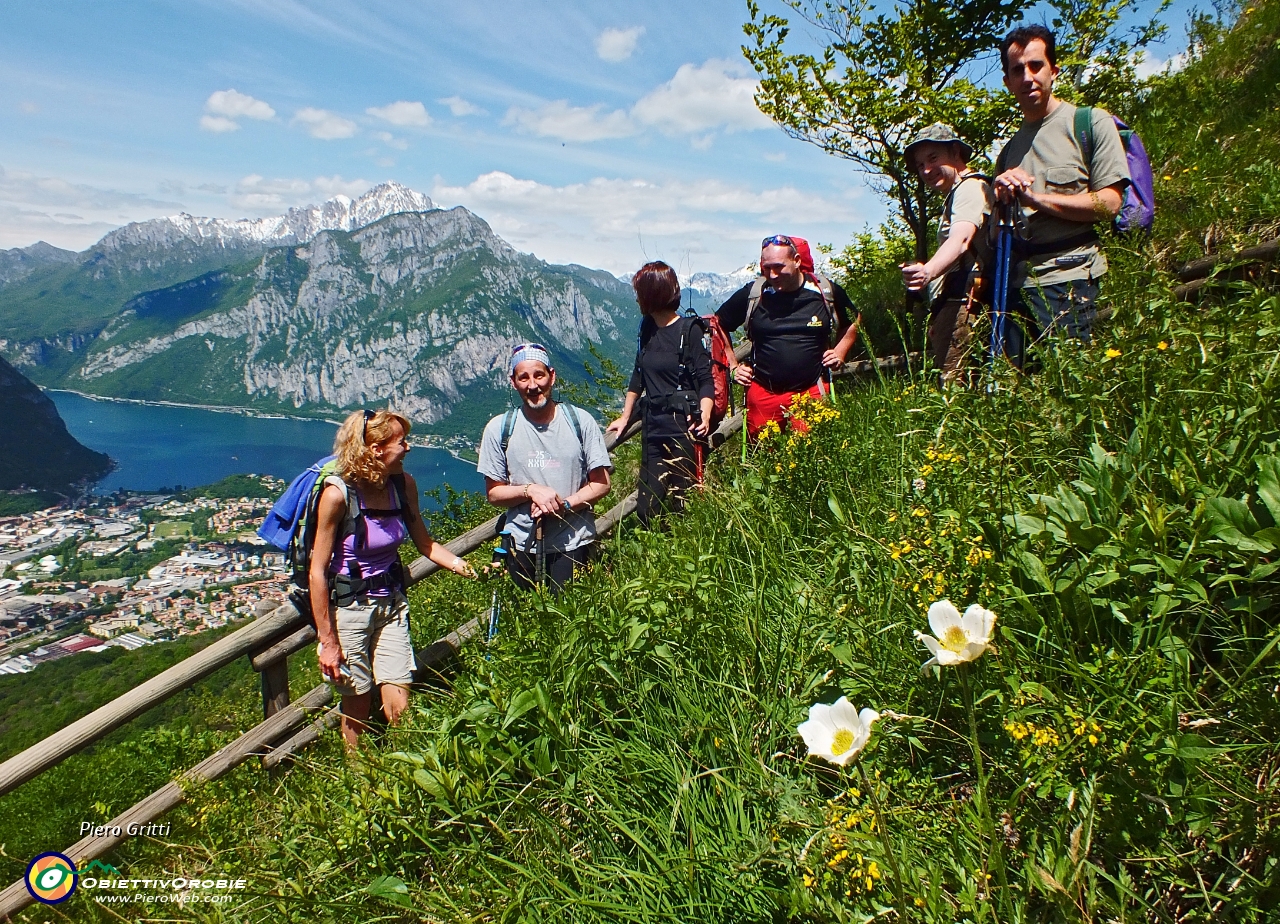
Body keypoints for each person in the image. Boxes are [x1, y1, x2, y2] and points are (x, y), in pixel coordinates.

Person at [311, 409, 477, 749]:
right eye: (402, 442)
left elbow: (426, 543)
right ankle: (359, 782)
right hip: (350, 611)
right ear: (375, 450)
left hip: (391, 605)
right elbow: (317, 570)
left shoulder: (402, 486)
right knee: (356, 705)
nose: (409, 448)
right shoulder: (338, 495)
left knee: (400, 703)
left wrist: (470, 569)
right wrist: (328, 642)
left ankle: (403, 769)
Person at [994, 24, 1131, 368]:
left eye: (1036, 66)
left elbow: (1110, 203)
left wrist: (1035, 199)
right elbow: (997, 234)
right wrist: (1001, 202)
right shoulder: (1008, 152)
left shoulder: (1089, 123)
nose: (1027, 77)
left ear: (1054, 71)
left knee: (1074, 388)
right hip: (1018, 289)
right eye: (1017, 70)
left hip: (1074, 281)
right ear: (1007, 81)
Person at [477, 343, 612, 592]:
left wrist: (564, 505)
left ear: (552, 376)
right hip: (520, 545)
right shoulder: (499, 429)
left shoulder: (580, 422)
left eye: (539, 375)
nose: (532, 385)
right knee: (528, 622)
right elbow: (494, 493)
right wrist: (530, 490)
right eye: (523, 377)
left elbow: (601, 483)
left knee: (570, 618)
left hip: (572, 542)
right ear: (513, 382)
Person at [715, 235, 860, 440]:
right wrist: (733, 366)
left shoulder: (823, 291)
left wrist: (840, 351)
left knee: (812, 455)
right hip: (763, 389)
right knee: (764, 456)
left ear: (798, 261)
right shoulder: (755, 293)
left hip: (811, 389)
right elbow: (718, 323)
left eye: (779, 267)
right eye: (766, 268)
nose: (772, 275)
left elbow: (854, 319)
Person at [605, 262, 715, 528]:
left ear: (651, 294)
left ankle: (683, 552)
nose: (636, 298)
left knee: (684, 502)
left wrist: (706, 415)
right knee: (648, 505)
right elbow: (638, 375)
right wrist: (625, 415)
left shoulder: (689, 330)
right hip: (653, 426)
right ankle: (655, 552)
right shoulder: (647, 328)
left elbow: (705, 379)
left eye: (639, 292)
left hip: (682, 427)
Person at [901, 124, 994, 385]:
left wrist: (927, 272)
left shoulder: (968, 189)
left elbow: (961, 238)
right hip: (956, 301)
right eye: (920, 165)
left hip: (965, 301)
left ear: (956, 152)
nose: (926, 170)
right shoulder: (958, 192)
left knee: (957, 388)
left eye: (933, 158)